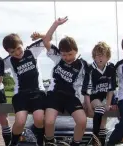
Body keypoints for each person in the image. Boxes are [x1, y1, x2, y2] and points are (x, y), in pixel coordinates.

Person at [2, 16, 67, 146]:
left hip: (38, 92)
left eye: (18, 48)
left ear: (22, 45)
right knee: (20, 122)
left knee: (38, 119)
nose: (17, 53)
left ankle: (39, 143)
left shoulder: (32, 51)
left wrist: (55, 24)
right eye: (13, 51)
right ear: (8, 52)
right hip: (21, 94)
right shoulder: (8, 61)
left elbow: (47, 39)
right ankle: (12, 143)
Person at [42, 16, 90, 146]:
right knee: (49, 121)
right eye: (64, 54)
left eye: (70, 54)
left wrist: (86, 100)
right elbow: (46, 40)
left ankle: (75, 143)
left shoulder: (83, 65)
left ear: (76, 51)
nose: (67, 57)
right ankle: (50, 142)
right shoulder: (58, 58)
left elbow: (87, 85)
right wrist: (55, 24)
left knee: (82, 121)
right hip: (55, 95)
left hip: (71, 97)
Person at [83, 41, 116, 145]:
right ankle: (95, 138)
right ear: (94, 57)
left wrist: (108, 104)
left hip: (104, 97)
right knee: (100, 107)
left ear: (108, 57)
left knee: (103, 121)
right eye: (97, 56)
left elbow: (111, 89)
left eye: (103, 55)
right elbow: (87, 92)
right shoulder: (90, 69)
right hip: (93, 97)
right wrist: (88, 107)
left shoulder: (111, 68)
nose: (100, 58)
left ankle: (100, 140)